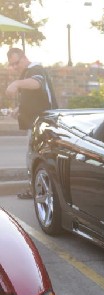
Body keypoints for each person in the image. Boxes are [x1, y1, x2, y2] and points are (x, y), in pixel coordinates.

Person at [5, 48, 57, 199]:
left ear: (24, 57)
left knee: (36, 157)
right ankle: (36, 188)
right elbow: (34, 99)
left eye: (16, 63)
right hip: (36, 124)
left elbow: (37, 84)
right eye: (12, 65)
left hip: (44, 123)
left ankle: (36, 190)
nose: (15, 67)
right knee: (34, 156)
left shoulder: (36, 69)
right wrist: (19, 109)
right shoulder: (28, 73)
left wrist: (16, 83)